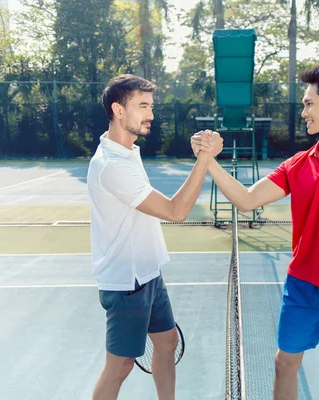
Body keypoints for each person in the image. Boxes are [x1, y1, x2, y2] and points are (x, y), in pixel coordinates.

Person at [191, 66, 319, 399]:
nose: (303, 113)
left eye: (308, 104)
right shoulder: (298, 164)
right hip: (301, 287)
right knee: (284, 363)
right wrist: (209, 161)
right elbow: (246, 199)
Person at [87, 74, 222, 400]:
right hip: (126, 282)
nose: (151, 114)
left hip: (147, 273)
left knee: (167, 342)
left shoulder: (126, 151)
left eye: (151, 106)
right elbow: (176, 211)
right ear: (119, 110)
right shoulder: (112, 166)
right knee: (118, 368)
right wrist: (204, 159)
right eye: (143, 106)